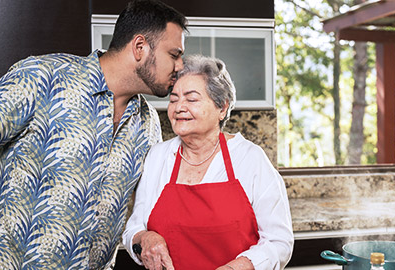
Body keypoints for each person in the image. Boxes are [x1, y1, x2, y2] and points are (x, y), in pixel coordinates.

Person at [0, 0, 187, 269]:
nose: (180, 65)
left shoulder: (148, 124)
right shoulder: (42, 77)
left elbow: (145, 207)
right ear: (139, 48)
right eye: (174, 54)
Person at [122, 55, 294, 270]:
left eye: (191, 99)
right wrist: (145, 238)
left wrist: (237, 267)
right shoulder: (158, 156)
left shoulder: (250, 159)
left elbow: (279, 242)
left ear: (222, 108)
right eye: (174, 99)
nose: (179, 107)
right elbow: (133, 229)